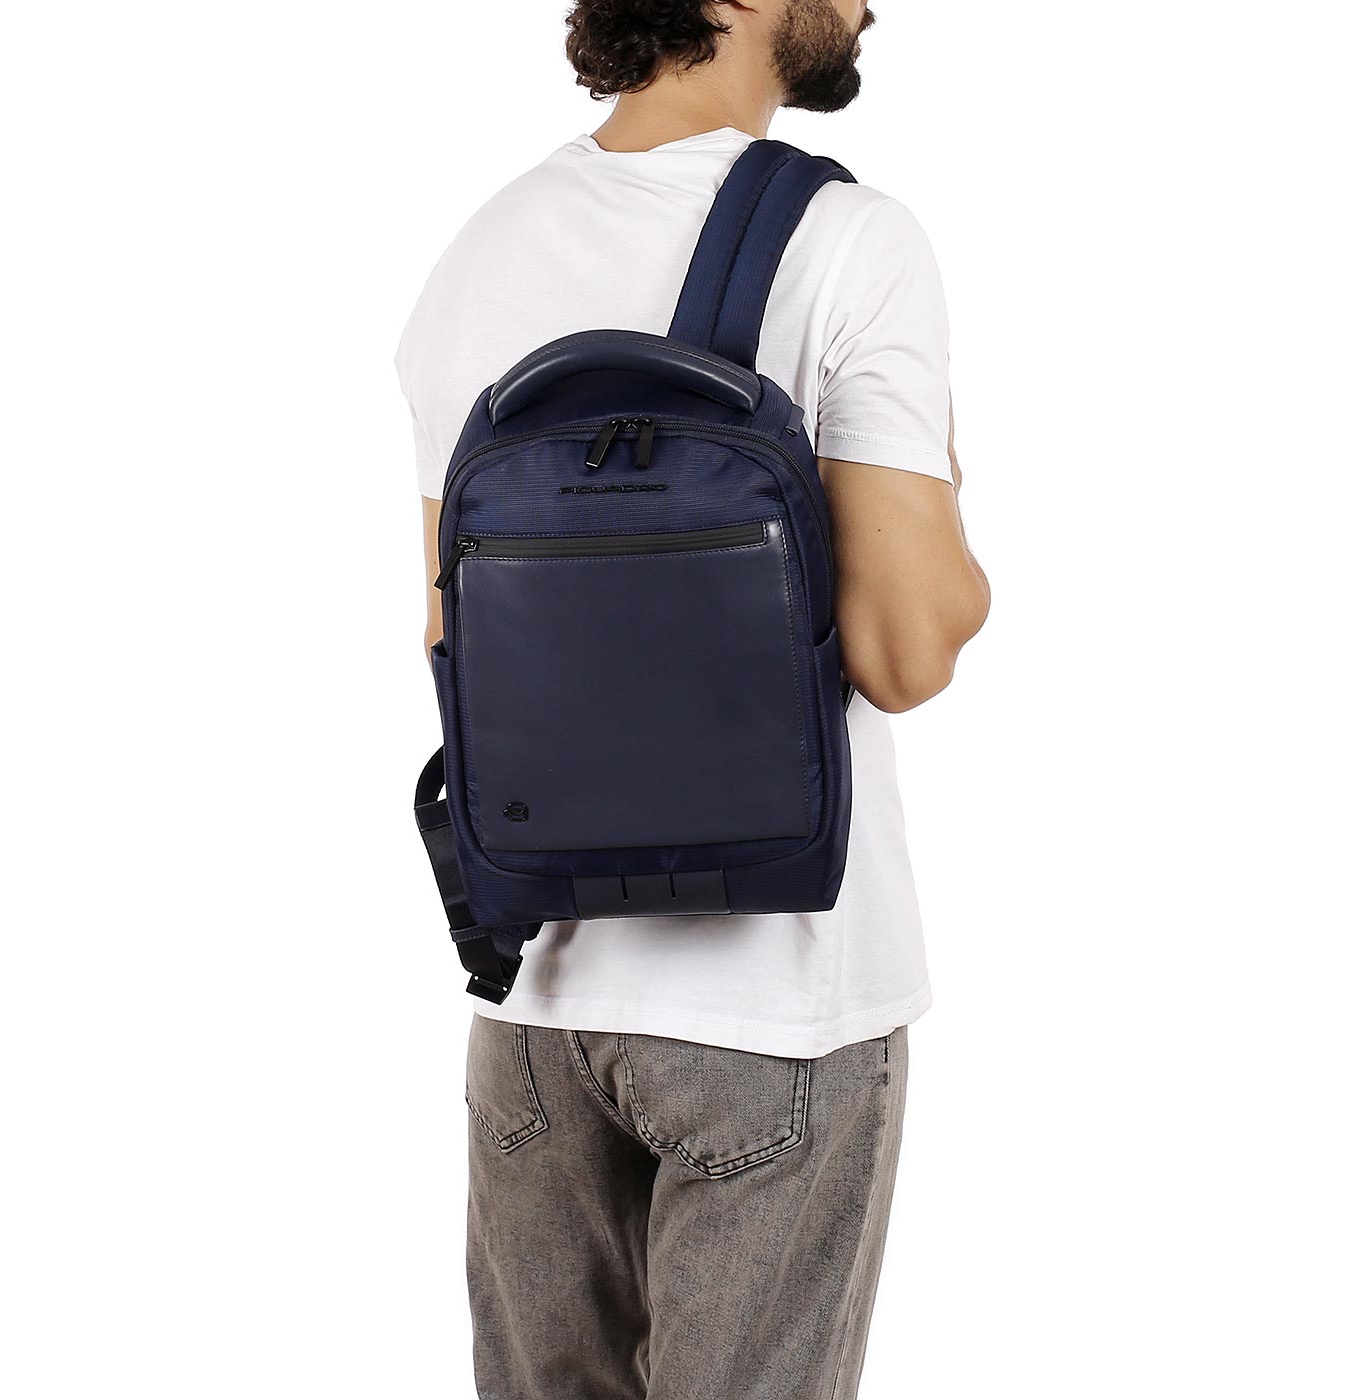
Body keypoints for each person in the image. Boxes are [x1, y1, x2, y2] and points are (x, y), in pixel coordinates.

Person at [395, 2, 990, 1395]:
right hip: (773, 1012)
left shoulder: (483, 245)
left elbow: (446, 628)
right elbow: (906, 651)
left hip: (534, 1006)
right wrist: (951, 505)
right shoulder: (849, 241)